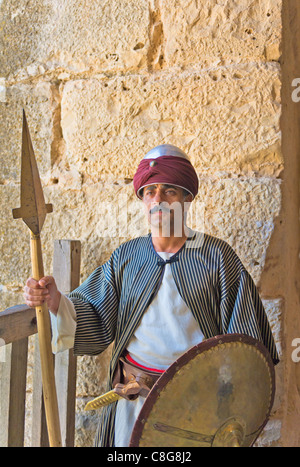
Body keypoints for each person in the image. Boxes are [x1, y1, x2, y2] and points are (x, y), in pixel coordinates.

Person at [24, 144, 279, 447]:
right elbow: (92, 312)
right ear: (143, 201)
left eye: (169, 191)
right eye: (149, 192)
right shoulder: (128, 257)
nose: (158, 200)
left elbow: (246, 349)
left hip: (197, 410)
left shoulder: (218, 258)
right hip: (134, 404)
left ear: (188, 198)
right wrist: (56, 302)